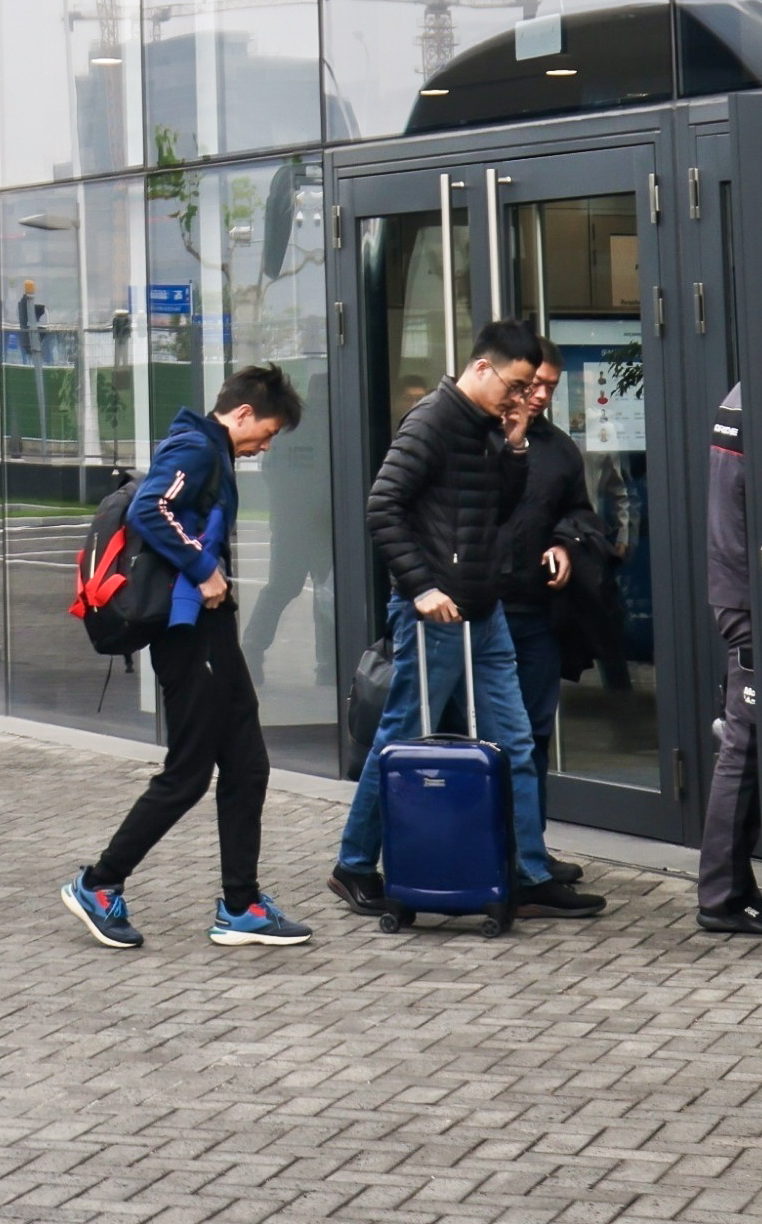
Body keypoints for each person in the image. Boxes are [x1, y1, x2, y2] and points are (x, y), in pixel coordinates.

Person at [329, 320, 602, 922]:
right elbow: (383, 505)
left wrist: (516, 447)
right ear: (482, 368)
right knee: (400, 736)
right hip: (438, 612)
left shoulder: (487, 426)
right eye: (516, 386)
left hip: (484, 608)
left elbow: (494, 508)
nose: (523, 398)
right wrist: (421, 588)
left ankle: (529, 874)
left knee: (517, 743)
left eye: (530, 388)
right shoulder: (432, 420)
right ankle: (354, 864)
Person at [63, 365, 315, 949]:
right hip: (188, 633)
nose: (265, 447)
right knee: (188, 773)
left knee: (247, 765)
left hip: (209, 630)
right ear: (243, 414)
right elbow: (151, 509)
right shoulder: (198, 448)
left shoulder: (208, 449)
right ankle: (98, 884)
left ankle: (241, 905)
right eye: (267, 433)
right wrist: (203, 568)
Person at [493, 350, 607, 826]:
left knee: (535, 733)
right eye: (533, 384)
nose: (540, 395)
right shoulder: (473, 435)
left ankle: (530, 849)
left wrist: (565, 543)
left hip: (538, 612)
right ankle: (485, 847)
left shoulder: (559, 448)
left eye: (551, 388)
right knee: (484, 734)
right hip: (480, 610)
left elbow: (581, 512)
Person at [696, 383, 762, 934]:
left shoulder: (744, 401)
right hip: (751, 599)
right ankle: (722, 897)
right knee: (743, 748)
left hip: (741, 592)